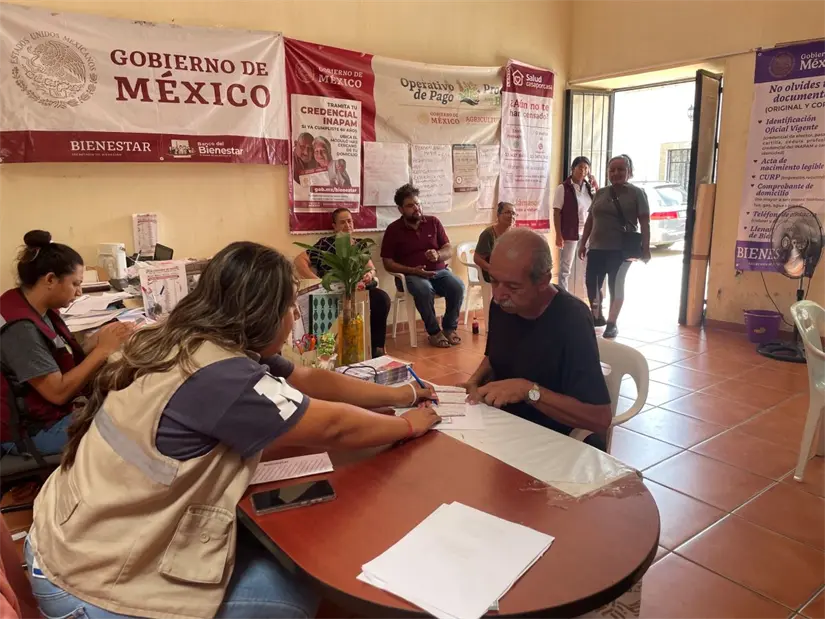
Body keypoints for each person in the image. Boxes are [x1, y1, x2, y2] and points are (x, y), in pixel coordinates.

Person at [27, 241, 440, 619]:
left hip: (68, 539)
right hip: (92, 585)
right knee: (298, 586)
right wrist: (407, 425)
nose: (296, 315)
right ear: (262, 314)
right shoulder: (224, 377)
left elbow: (308, 379)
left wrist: (403, 392)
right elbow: (332, 425)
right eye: (291, 306)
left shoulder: (182, 337)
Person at [463, 228, 612, 451]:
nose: (498, 295)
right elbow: (495, 356)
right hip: (507, 430)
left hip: (556, 441)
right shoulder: (503, 305)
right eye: (494, 281)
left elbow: (599, 418)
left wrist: (529, 391)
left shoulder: (572, 320)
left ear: (543, 280)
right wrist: (473, 381)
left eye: (513, 286)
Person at [0, 231, 132, 456]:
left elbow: (56, 353)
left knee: (127, 401)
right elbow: (58, 393)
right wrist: (102, 350)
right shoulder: (20, 328)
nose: (79, 292)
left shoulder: (35, 306)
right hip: (30, 432)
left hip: (45, 414)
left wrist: (93, 343)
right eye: (75, 284)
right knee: (130, 425)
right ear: (50, 279)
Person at [294, 207, 391, 357]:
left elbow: (371, 269)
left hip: (357, 290)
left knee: (381, 299)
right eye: (342, 222)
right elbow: (299, 261)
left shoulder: (360, 245)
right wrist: (319, 282)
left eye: (350, 221)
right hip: (333, 291)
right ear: (334, 226)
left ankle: (376, 347)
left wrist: (369, 275)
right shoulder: (325, 243)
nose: (347, 225)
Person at [380, 184, 465, 348]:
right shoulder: (393, 230)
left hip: (438, 272)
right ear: (401, 209)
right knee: (423, 289)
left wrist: (438, 255)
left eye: (418, 203)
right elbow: (388, 263)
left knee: (458, 286)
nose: (416, 208)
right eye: (410, 205)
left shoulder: (433, 222)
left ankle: (449, 328)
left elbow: (448, 249)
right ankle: (434, 332)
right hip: (411, 276)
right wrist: (413, 270)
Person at [578, 154, 651, 339]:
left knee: (615, 285)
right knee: (592, 285)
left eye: (621, 169)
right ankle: (597, 316)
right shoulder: (602, 193)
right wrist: (583, 242)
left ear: (629, 172)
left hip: (621, 250)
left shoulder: (637, 193)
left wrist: (646, 248)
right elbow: (590, 219)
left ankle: (612, 323)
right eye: (612, 170)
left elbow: (644, 223)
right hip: (596, 248)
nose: (616, 173)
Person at [553, 156, 597, 292]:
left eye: (586, 168)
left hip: (587, 233)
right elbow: (556, 212)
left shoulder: (589, 188)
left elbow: (598, 204)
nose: (582, 171)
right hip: (570, 233)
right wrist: (558, 235)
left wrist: (595, 184)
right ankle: (563, 295)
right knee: (566, 267)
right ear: (573, 169)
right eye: (580, 167)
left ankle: (585, 295)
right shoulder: (563, 188)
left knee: (587, 266)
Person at [473, 201, 516, 283]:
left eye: (514, 213)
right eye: (507, 212)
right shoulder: (488, 234)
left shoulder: (515, 234)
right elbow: (477, 258)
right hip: (491, 272)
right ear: (498, 215)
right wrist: (491, 269)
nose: (511, 216)